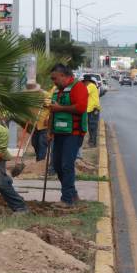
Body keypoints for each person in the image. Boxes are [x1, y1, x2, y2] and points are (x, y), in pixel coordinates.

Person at [47, 63, 89, 208]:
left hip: (73, 134)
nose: (54, 82)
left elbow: (81, 107)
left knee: (66, 165)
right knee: (57, 165)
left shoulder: (78, 87)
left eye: (55, 79)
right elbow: (53, 111)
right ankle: (72, 194)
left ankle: (67, 200)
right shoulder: (57, 91)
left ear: (63, 76)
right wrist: (49, 132)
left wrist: (61, 108)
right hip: (58, 134)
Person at [83, 73, 101, 148]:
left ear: (86, 81)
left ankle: (92, 143)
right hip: (92, 109)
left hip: (93, 109)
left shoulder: (90, 86)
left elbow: (83, 93)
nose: (84, 84)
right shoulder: (92, 86)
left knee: (92, 126)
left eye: (84, 82)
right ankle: (91, 141)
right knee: (91, 126)